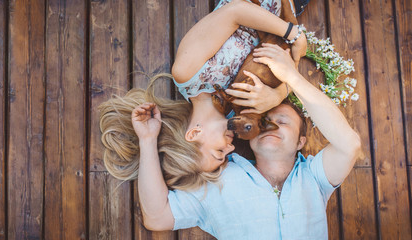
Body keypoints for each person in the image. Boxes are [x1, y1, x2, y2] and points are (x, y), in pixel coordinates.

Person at [134, 44, 361, 238]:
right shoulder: (217, 182)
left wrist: (291, 76)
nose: (268, 126)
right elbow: (157, 217)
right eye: (261, 121)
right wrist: (147, 140)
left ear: (301, 141)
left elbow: (349, 145)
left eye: (282, 121)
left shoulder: (314, 177)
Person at [100, 0, 307, 191]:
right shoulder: (240, 111)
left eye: (219, 152)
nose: (231, 147)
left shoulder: (188, 73)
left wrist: (294, 35)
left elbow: (235, 11)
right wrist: (279, 95)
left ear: (194, 134)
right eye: (226, 155)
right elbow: (287, 68)